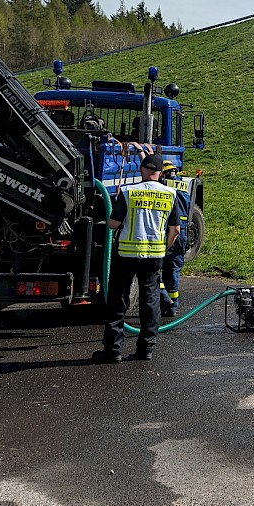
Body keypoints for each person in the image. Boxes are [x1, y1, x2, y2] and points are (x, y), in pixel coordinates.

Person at [92, 150, 180, 363]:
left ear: (142, 170)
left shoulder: (130, 192)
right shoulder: (170, 194)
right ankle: (146, 349)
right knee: (150, 300)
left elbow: (113, 224)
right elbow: (175, 230)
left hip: (127, 254)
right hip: (154, 256)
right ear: (160, 173)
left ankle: (113, 350)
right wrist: (163, 248)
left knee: (118, 299)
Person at [158, 159, 191, 317]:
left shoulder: (165, 188)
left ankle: (164, 297)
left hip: (170, 233)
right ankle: (172, 307)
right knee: (173, 271)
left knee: (155, 269)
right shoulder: (183, 187)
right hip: (182, 233)